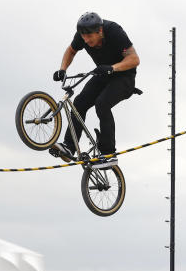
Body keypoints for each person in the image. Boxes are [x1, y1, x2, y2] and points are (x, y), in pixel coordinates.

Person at [52, 12, 140, 163]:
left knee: (102, 103)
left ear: (100, 31)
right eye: (84, 37)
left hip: (124, 77)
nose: (86, 41)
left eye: (90, 37)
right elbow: (71, 50)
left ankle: (108, 153)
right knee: (79, 102)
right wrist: (63, 69)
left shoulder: (114, 31)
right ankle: (69, 146)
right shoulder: (82, 36)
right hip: (103, 74)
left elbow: (134, 59)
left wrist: (112, 68)